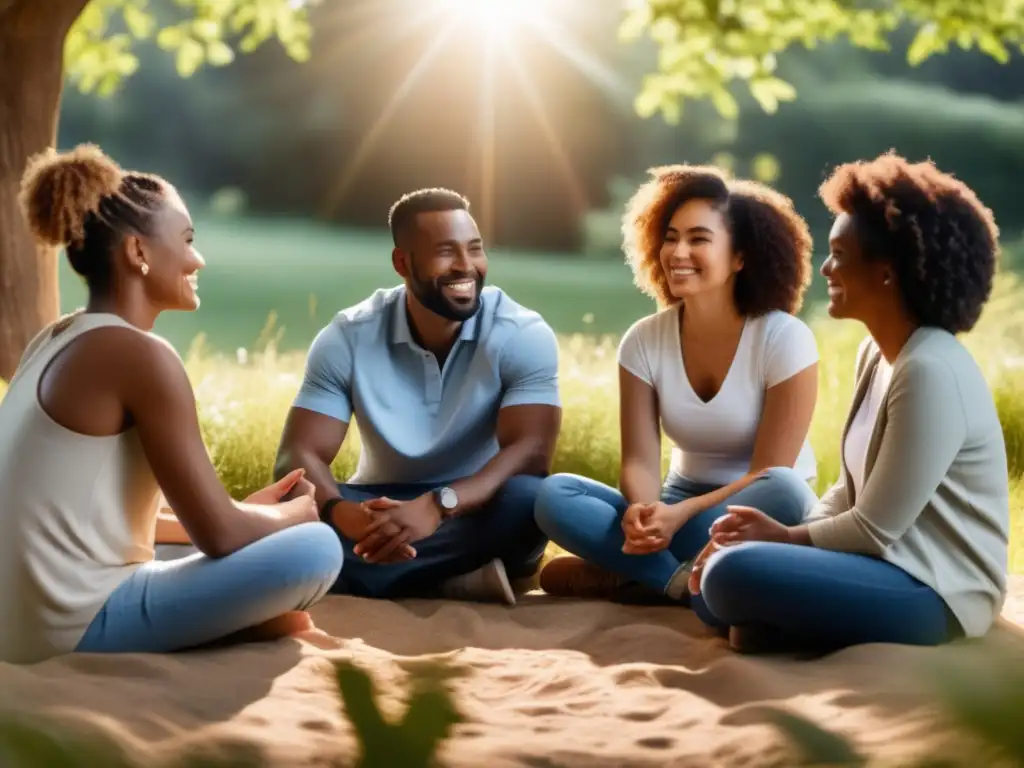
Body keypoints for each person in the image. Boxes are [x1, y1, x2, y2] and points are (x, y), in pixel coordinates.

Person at [0, 144, 343, 665]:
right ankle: (227, 627)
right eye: (186, 239)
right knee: (318, 548)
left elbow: (92, 519)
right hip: (70, 628)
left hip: (17, 621)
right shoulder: (141, 357)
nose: (197, 258)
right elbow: (221, 535)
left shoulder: (55, 337)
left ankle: (230, 618)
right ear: (138, 252)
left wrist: (249, 513)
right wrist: (295, 515)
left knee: (214, 544)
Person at [688, 152, 1010, 653]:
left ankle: (777, 617)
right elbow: (847, 489)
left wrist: (782, 541)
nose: (825, 267)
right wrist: (784, 537)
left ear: (886, 272)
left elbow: (872, 529)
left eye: (839, 253)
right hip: (882, 563)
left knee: (731, 575)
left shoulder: (930, 371)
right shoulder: (876, 354)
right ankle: (779, 617)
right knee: (719, 582)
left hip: (937, 590)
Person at [534, 165, 819, 602]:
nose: (677, 251)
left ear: (740, 257)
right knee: (554, 495)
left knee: (785, 486)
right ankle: (678, 582)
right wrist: (644, 512)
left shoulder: (784, 338)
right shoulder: (643, 340)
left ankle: (630, 573)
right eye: (670, 236)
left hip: (759, 505)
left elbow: (769, 472)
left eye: (698, 239)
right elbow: (640, 462)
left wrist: (679, 515)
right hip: (678, 503)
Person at [273, 188, 561, 605]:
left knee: (531, 499)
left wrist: (440, 505)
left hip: (471, 505)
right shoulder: (348, 336)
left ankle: (359, 573)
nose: (466, 266)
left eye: (475, 249)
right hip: (376, 501)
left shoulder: (522, 333)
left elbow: (530, 451)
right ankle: (449, 579)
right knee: (291, 495)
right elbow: (298, 453)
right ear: (402, 263)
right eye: (446, 251)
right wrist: (341, 512)